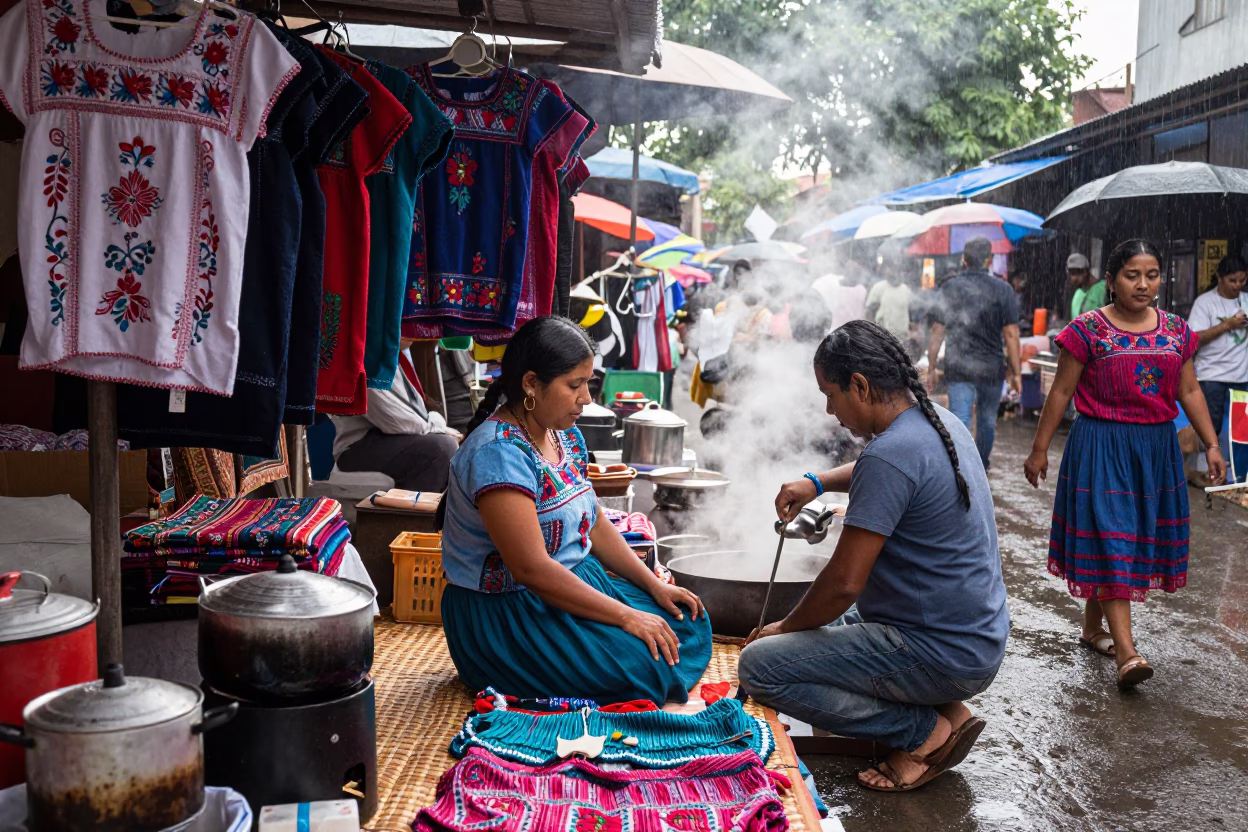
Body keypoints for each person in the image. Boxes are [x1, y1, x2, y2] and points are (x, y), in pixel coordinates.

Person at [739, 320, 1007, 792]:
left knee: (761, 665)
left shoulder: (891, 455)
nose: (828, 409)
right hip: (975, 636)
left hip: (940, 651)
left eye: (831, 395)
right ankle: (948, 710)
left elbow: (843, 585)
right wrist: (817, 482)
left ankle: (924, 733)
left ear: (859, 386)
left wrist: (783, 630)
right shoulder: (941, 422)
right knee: (816, 633)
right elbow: (878, 467)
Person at [438, 316, 711, 703]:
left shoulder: (563, 433)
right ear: (531, 383)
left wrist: (652, 584)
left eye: (588, 384)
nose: (586, 398)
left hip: (576, 585)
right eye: (574, 385)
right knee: (644, 664)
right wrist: (626, 616)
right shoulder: (498, 454)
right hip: (512, 614)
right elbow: (531, 569)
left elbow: (594, 520)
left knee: (688, 620)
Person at [1025, 239, 1225, 691]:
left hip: (1155, 450)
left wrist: (1212, 444)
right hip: (1101, 445)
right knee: (1114, 538)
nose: (1143, 284)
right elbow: (1059, 393)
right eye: (1132, 275)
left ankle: (1093, 629)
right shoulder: (1087, 330)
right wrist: (1039, 450)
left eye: (1151, 275)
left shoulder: (1175, 330)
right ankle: (1128, 655)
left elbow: (1189, 391)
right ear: (1111, 281)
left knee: (1126, 540)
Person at [926, 237, 1022, 469]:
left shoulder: (950, 287)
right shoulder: (1003, 289)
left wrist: (931, 367)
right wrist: (1016, 373)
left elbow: (938, 330)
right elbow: (1011, 334)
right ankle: (980, 465)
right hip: (991, 368)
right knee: (988, 422)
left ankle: (963, 470)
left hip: (959, 367)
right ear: (989, 260)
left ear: (964, 260)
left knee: (960, 420)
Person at [332, 341, 461, 491]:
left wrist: (438, 426)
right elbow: (395, 422)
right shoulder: (367, 359)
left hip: (387, 438)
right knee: (440, 448)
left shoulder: (393, 359)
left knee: (454, 448)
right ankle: (416, 513)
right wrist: (438, 427)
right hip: (356, 448)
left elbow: (414, 412)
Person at [1186, 254, 1248, 457]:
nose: (1238, 285)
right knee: (1209, 429)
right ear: (1220, 278)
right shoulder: (1205, 303)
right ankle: (1198, 467)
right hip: (1211, 377)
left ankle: (1233, 475)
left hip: (1241, 378)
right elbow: (1193, 339)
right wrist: (1226, 325)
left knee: (1240, 433)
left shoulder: (1246, 300)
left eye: (1242, 280)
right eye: (1232, 280)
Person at [865, 270, 914, 346]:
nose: (895, 273)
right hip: (881, 337)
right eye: (892, 270)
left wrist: (913, 332)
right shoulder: (879, 288)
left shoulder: (906, 290)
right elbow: (869, 312)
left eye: (898, 271)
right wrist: (869, 333)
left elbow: (912, 314)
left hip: (902, 339)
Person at [1067, 253, 1106, 320]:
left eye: (1075, 273)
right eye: (1071, 274)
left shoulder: (1103, 289)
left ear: (1085, 272)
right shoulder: (1078, 293)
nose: (1073, 279)